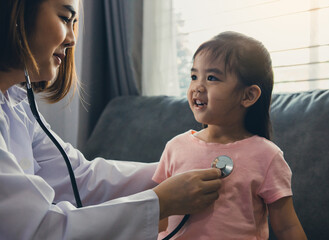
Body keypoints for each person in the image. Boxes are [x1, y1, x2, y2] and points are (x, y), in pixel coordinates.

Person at [0, 0, 222, 239]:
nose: (72, 39)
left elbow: (80, 177)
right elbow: (39, 230)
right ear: (18, 13)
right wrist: (161, 202)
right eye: (65, 19)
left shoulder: (17, 107)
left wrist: (178, 167)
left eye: (74, 23)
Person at [153, 31, 307, 239]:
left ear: (248, 95)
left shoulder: (267, 156)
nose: (197, 86)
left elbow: (287, 227)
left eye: (212, 78)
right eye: (194, 76)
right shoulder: (175, 147)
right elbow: (158, 215)